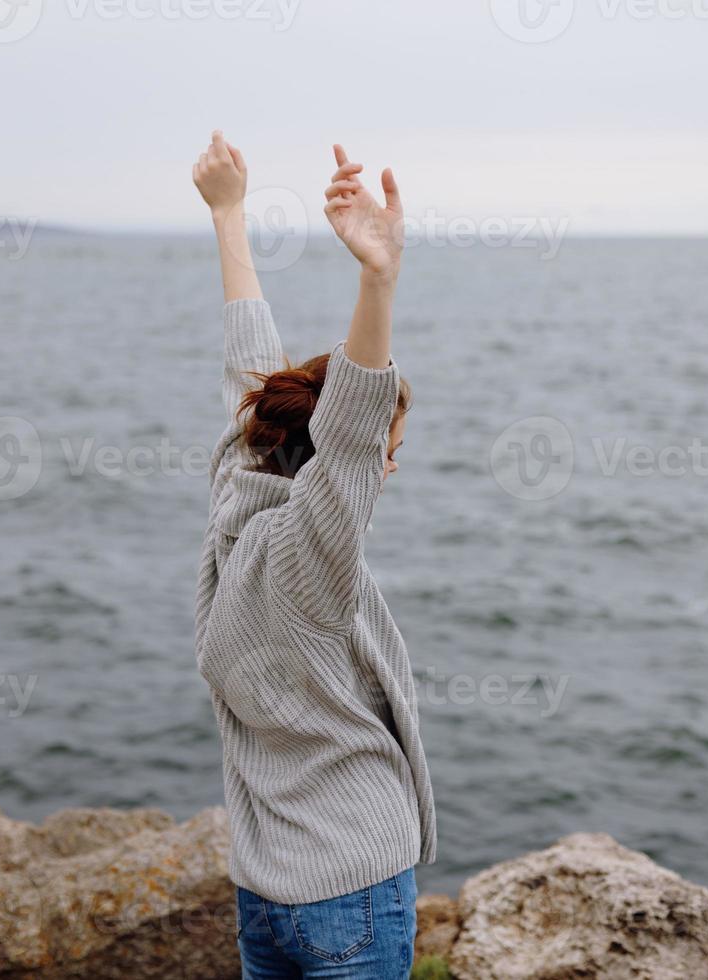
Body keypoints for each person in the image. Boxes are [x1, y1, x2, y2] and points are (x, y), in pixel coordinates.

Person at [192, 130, 437, 979]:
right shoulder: (311, 548)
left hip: (265, 896)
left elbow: (248, 367)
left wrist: (228, 212)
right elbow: (354, 429)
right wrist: (378, 277)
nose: (389, 465)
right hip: (353, 888)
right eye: (388, 451)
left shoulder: (238, 490)